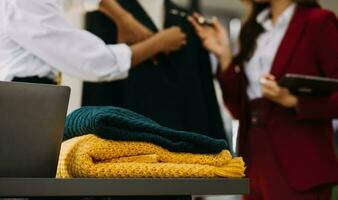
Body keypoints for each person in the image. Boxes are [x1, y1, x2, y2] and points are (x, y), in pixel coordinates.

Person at [189, 0, 338, 199]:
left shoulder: (318, 21)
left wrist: (294, 102)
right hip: (254, 157)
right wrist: (224, 55)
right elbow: (239, 108)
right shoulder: (253, 28)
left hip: (299, 160)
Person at [81, 0, 227, 142]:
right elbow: (97, 87)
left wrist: (219, 149)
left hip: (186, 148)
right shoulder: (104, 15)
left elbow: (205, 94)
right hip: (128, 145)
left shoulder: (188, 20)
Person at [0, 0, 187, 84]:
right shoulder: (21, 3)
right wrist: (157, 43)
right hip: (21, 94)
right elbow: (88, 60)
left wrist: (123, 18)